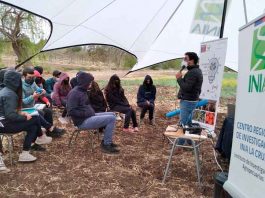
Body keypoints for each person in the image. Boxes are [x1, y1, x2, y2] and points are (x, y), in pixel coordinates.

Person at [0, 70, 49, 162]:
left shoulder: (6, 90)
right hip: (4, 125)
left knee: (33, 125)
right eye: (19, 79)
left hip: (4, 122)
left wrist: (23, 113)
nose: (21, 81)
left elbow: (10, 110)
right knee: (35, 118)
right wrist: (24, 117)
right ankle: (41, 135)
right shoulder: (10, 94)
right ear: (14, 81)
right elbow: (10, 115)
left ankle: (25, 153)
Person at [67, 72, 119, 154]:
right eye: (90, 82)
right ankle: (106, 145)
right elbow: (71, 111)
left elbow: (85, 106)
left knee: (112, 114)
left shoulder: (82, 91)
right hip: (82, 122)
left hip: (89, 116)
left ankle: (106, 141)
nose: (91, 83)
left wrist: (89, 111)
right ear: (85, 82)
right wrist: (86, 113)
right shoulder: (74, 93)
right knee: (111, 118)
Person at [22, 67, 64, 138]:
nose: (31, 79)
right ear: (24, 76)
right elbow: (23, 102)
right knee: (40, 113)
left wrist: (42, 91)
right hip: (24, 109)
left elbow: (38, 89)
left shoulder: (33, 83)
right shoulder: (21, 86)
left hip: (32, 106)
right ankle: (49, 129)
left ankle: (49, 132)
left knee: (48, 111)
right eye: (29, 77)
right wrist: (33, 96)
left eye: (33, 77)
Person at [176, 52, 203, 145]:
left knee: (182, 124)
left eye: (186, 58)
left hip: (188, 101)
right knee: (188, 122)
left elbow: (187, 88)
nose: (184, 60)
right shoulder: (194, 71)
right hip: (190, 100)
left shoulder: (193, 72)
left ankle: (179, 145)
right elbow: (188, 85)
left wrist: (179, 79)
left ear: (191, 60)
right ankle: (190, 142)